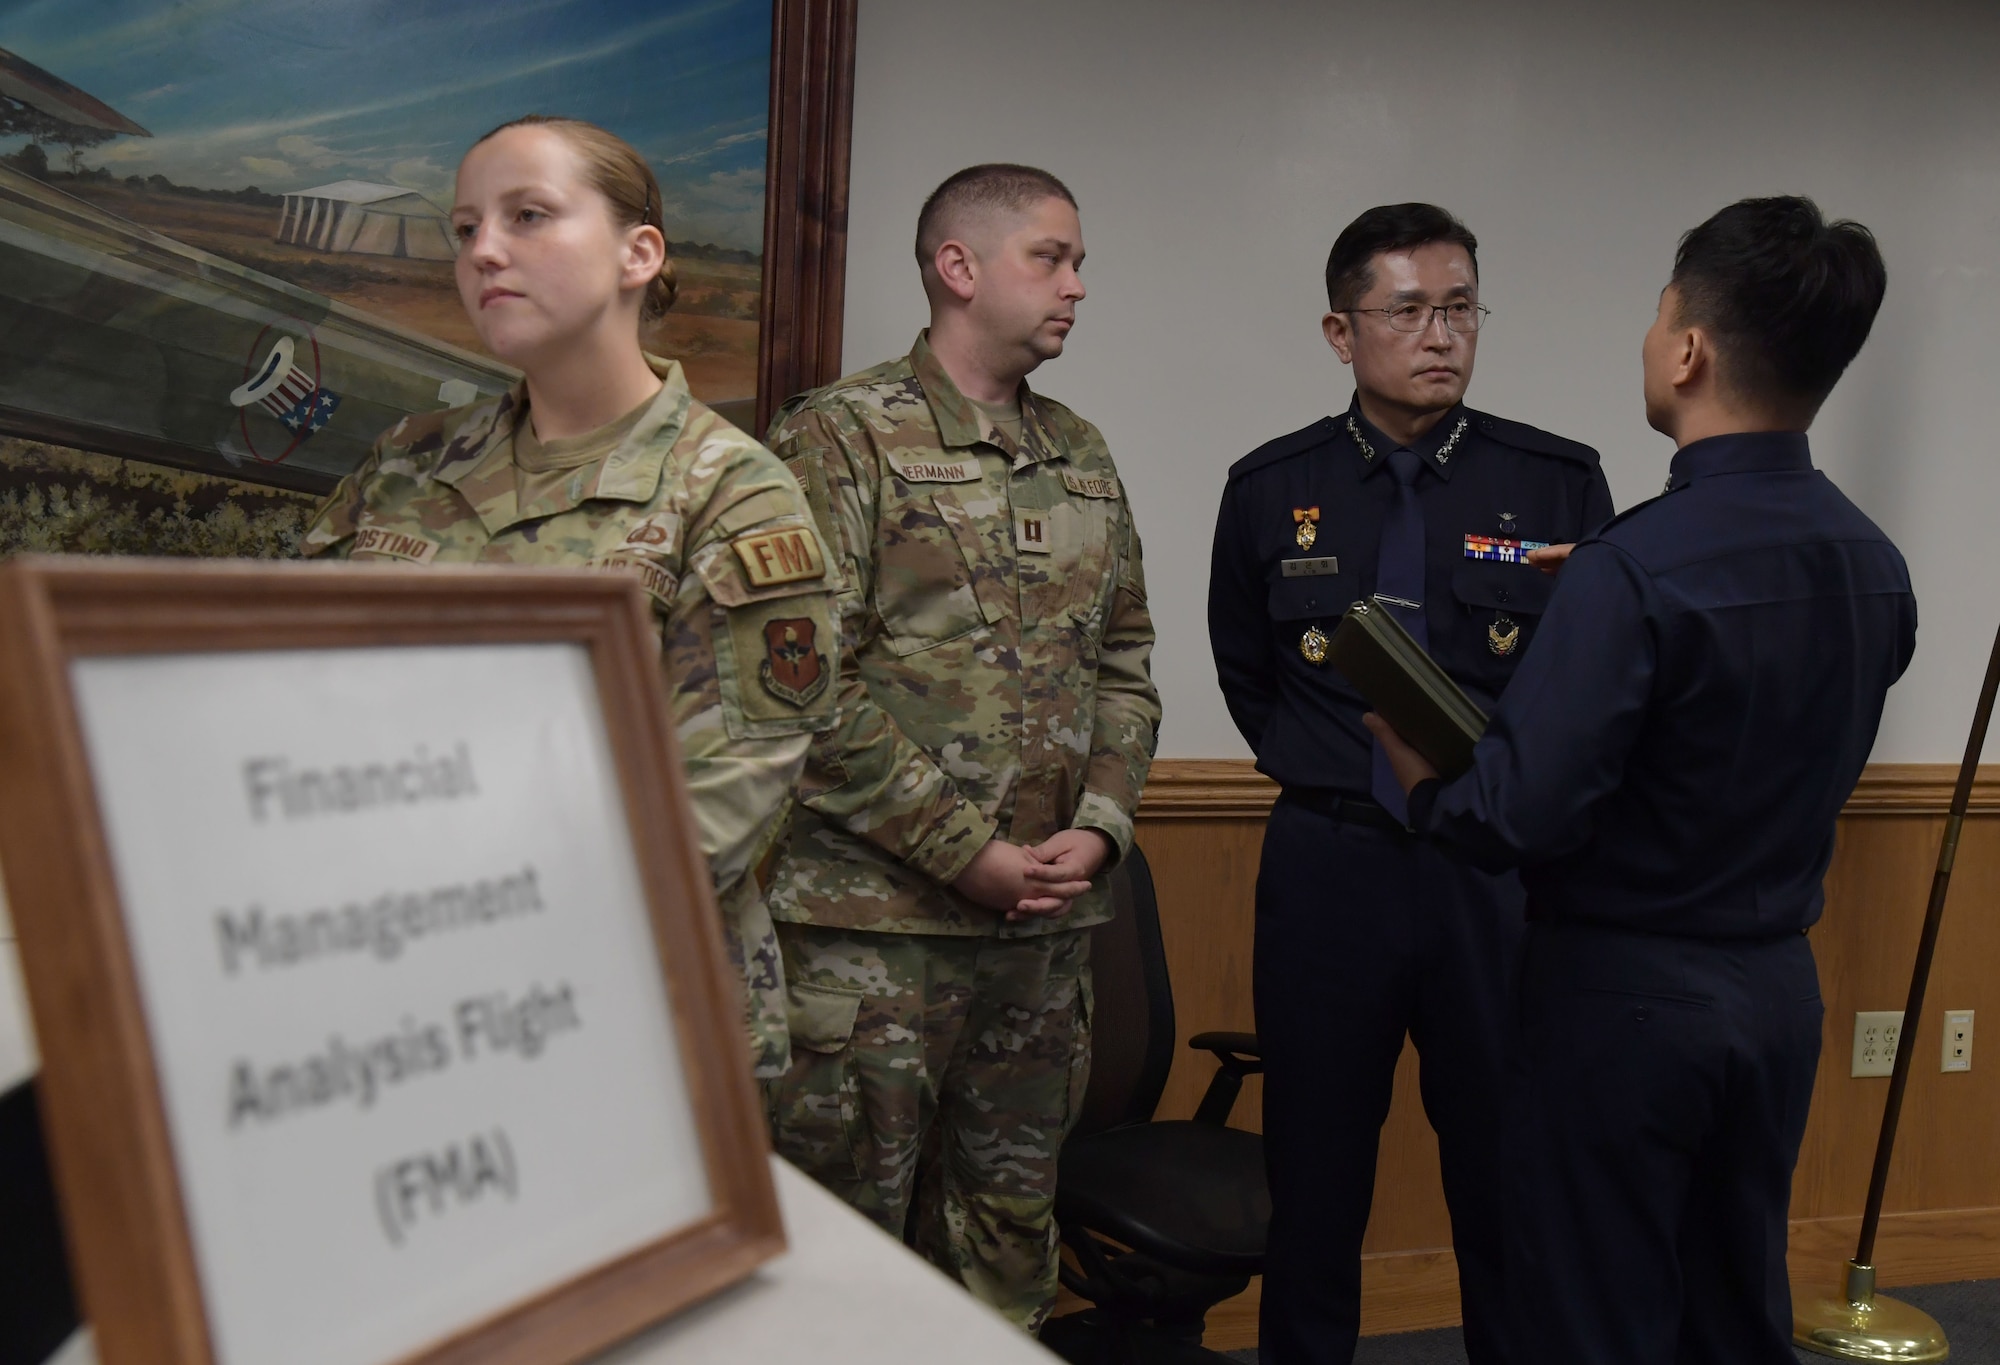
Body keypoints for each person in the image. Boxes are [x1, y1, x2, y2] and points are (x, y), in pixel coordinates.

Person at [1368, 196, 1914, 1364]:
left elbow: (1519, 810)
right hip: (1774, 994)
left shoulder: (1633, 567)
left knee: (1588, 1315)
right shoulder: (1873, 562)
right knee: (1731, 1305)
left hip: (1621, 1001)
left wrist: (1421, 781)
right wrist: (1610, 599)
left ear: (1686, 349)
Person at [300, 115, 837, 1081]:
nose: (484, 251)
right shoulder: (409, 459)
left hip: (621, 1019)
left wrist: (453, 932)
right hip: (379, 1003)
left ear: (639, 253)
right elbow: (280, 688)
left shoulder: (730, 491)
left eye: (529, 214)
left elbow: (717, 802)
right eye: (466, 230)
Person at [1208, 203, 1614, 1365]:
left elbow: (1587, 684)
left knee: (1503, 1170)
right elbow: (1250, 674)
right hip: (1329, 866)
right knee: (1316, 1176)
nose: (1439, 335)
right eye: (1406, 311)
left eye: (1459, 307)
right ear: (1341, 332)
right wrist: (1337, 768)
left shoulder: (1552, 484)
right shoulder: (1266, 486)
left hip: (1491, 874)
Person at [760, 163, 1159, 1332]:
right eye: (1052, 256)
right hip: (874, 944)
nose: (1076, 285)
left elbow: (1124, 664)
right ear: (958, 267)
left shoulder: (1079, 450)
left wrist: (1100, 826)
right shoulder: (840, 436)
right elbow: (797, 687)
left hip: (1039, 944)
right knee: (841, 1262)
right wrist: (964, 850)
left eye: (1077, 261)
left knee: (1002, 1250)